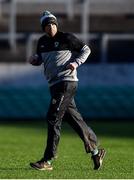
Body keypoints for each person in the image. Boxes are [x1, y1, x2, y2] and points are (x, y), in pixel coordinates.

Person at [28, 11, 106, 171]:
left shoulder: (67, 38)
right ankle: (96, 151)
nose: (51, 26)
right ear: (43, 28)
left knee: (52, 117)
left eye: (53, 24)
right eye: (47, 25)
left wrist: (76, 63)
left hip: (66, 83)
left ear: (56, 24)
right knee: (74, 120)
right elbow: (40, 59)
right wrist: (35, 60)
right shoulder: (42, 42)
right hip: (55, 86)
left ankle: (47, 160)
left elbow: (86, 50)